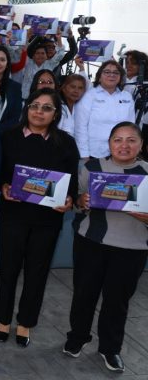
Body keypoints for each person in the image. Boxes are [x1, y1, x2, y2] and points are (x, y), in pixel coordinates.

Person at [0, 88, 78, 347]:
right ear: (27, 108)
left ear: (56, 114)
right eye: (34, 106)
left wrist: (69, 200)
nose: (39, 112)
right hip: (13, 215)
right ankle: (3, 319)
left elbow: (72, 183)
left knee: (37, 274)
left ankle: (26, 322)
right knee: (8, 270)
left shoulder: (66, 143)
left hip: (47, 221)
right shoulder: (8, 137)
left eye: (46, 108)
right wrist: (2, 186)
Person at [65, 122, 148, 373]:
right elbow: (76, 203)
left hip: (131, 247)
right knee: (83, 294)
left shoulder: (146, 173)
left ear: (141, 145)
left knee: (117, 301)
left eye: (131, 140)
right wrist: (81, 200)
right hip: (91, 242)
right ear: (109, 143)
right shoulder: (92, 168)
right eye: (118, 140)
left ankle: (110, 349)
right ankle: (77, 337)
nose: (124, 145)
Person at [74, 60, 134, 159]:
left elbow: (131, 125)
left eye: (116, 72)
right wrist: (84, 154)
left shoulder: (127, 96)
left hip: (121, 151)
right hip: (94, 153)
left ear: (120, 77)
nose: (111, 75)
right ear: (99, 76)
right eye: (107, 72)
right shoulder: (89, 95)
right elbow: (80, 126)